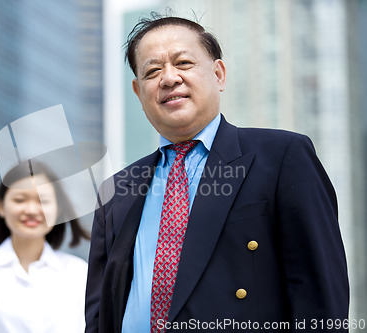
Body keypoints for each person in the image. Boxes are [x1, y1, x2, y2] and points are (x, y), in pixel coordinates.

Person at [85, 14, 349, 333]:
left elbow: (320, 298)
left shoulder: (282, 157)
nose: (169, 78)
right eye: (152, 71)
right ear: (139, 93)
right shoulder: (117, 190)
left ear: (218, 74)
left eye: (183, 63)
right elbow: (100, 316)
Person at [0, 161, 89, 332]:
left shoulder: (79, 273)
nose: (31, 209)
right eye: (19, 199)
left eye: (43, 201)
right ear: (1, 206)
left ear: (58, 209)